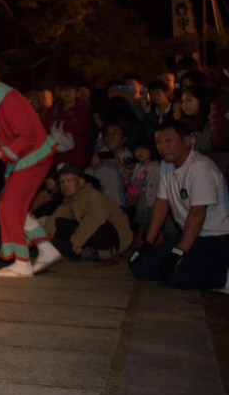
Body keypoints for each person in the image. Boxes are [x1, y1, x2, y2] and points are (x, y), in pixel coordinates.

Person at [0, 60, 64, 277]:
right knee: (10, 206)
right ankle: (46, 250)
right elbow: (2, 135)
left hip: (33, 156)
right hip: (22, 157)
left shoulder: (7, 99)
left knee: (9, 207)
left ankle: (23, 262)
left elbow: (27, 135)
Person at [132, 120, 229, 290]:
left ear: (187, 141)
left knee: (178, 278)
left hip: (216, 237)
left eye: (169, 140)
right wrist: (148, 244)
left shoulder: (200, 166)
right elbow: (162, 203)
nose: (162, 147)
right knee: (142, 268)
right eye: (158, 142)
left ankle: (223, 277)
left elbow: (198, 213)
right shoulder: (166, 165)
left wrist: (179, 251)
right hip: (193, 235)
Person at [43, 163, 132, 265]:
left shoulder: (93, 194)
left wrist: (77, 241)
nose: (65, 185)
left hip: (118, 237)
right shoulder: (69, 200)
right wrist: (45, 240)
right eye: (62, 182)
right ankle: (76, 252)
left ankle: (107, 255)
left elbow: (95, 218)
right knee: (60, 222)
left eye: (69, 180)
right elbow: (55, 218)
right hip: (93, 233)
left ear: (81, 182)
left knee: (97, 223)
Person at [44, 79, 90, 168]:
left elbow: (80, 128)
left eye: (69, 90)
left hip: (75, 158)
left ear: (77, 93)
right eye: (63, 90)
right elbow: (45, 128)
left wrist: (59, 124)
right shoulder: (54, 109)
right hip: (55, 158)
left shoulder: (82, 110)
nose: (66, 93)